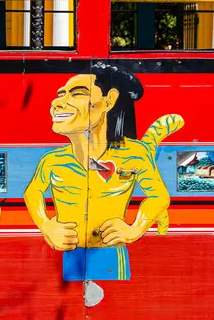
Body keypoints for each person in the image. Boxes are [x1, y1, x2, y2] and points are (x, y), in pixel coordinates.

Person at [24, 63, 183, 306]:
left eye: (77, 93)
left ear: (109, 101)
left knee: (118, 307)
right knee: (63, 307)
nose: (58, 102)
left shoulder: (135, 154)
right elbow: (33, 191)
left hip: (110, 252)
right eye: (60, 94)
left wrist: (134, 229)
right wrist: (47, 226)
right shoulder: (53, 160)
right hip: (68, 252)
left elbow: (158, 196)